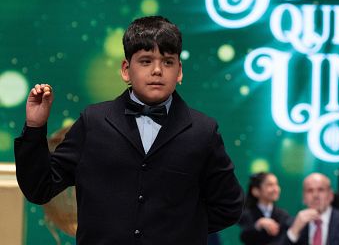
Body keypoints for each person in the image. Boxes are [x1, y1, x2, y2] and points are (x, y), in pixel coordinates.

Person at [14, 16, 244, 244]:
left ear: (179, 71)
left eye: (168, 62)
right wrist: (35, 127)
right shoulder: (93, 122)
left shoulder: (203, 131)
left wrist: (182, 230)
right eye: (146, 61)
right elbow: (40, 188)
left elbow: (230, 206)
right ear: (126, 69)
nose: (157, 70)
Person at [281, 172, 339, 245]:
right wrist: (294, 231)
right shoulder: (292, 224)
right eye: (310, 190)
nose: (315, 195)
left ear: (331, 195)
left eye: (321, 190)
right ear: (304, 198)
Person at [240, 172, 291, 245]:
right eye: (270, 185)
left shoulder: (283, 214)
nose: (276, 189)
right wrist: (258, 225)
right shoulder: (246, 214)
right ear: (256, 191)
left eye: (276, 184)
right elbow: (244, 236)